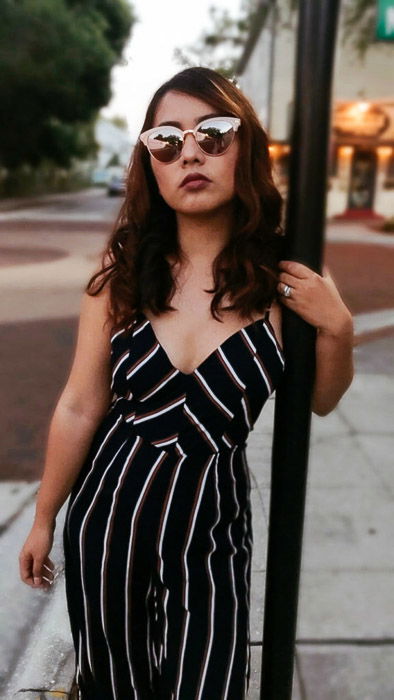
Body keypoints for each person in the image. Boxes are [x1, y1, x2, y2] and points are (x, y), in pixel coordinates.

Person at [18, 66, 354, 699]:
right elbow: (79, 405)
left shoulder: (283, 278)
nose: (190, 152)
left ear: (245, 148)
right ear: (150, 164)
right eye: (166, 141)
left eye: (214, 133)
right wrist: (44, 518)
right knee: (115, 686)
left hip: (213, 526)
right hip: (107, 518)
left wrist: (336, 328)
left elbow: (322, 399)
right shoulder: (120, 275)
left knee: (212, 683)